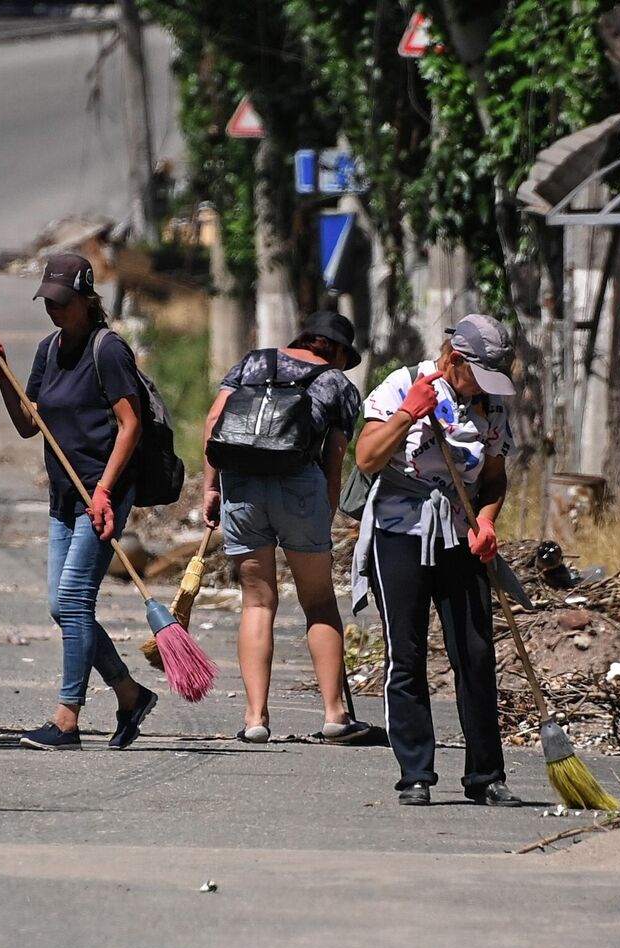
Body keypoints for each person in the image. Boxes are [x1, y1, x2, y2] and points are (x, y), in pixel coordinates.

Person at [0, 253, 159, 751]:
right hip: (63, 496)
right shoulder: (48, 350)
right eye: (48, 302)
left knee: (75, 599)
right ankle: (129, 692)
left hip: (102, 495)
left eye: (63, 301)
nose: (54, 310)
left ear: (86, 298)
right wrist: (0, 373)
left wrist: (104, 491)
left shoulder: (109, 350)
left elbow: (131, 424)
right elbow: (28, 424)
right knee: (61, 606)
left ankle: (67, 718)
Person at [353, 314, 522, 807]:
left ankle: (485, 776)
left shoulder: (489, 407)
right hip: (400, 532)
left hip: (460, 533)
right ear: (454, 359)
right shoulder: (402, 384)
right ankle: (415, 774)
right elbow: (366, 459)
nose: (481, 388)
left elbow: (493, 478)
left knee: (474, 653)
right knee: (405, 655)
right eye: (476, 374)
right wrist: (408, 413)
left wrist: (487, 521)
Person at [204, 311, 372, 745]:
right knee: (317, 602)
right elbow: (335, 460)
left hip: (240, 482)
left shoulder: (252, 363)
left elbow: (213, 425)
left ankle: (255, 719)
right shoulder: (337, 385)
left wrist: (211, 489)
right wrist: (326, 510)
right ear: (334, 349)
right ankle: (335, 713)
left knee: (257, 603)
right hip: (300, 485)